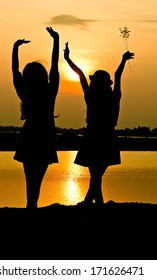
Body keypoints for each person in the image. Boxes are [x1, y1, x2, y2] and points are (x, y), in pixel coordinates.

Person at [64, 42, 134, 206]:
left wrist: (67, 58)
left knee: (95, 175)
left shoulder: (90, 95)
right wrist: (123, 60)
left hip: (93, 135)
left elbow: (80, 74)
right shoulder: (114, 96)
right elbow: (117, 75)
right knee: (97, 175)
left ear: (95, 83)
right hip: (107, 136)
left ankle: (91, 202)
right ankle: (96, 203)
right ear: (107, 84)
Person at [12, 27, 60, 209]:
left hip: (29, 135)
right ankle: (32, 206)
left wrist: (15, 49)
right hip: (46, 135)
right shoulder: (49, 92)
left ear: (27, 77)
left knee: (29, 178)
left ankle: (30, 205)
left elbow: (14, 71)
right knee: (37, 178)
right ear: (43, 76)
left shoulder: (25, 91)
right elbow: (55, 66)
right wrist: (56, 40)